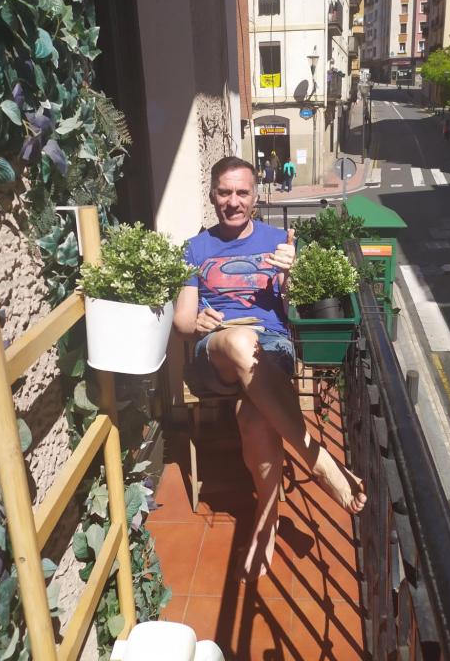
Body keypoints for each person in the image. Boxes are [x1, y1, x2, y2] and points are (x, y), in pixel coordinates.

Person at [173, 157, 366, 581]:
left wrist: (292, 272)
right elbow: (183, 322)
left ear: (256, 197)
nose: (233, 201)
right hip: (219, 348)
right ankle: (317, 461)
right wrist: (198, 322)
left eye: (242, 192)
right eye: (225, 192)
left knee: (255, 418)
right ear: (212, 195)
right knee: (242, 342)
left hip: (273, 347)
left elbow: (296, 303)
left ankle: (267, 521)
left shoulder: (279, 240)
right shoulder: (195, 248)